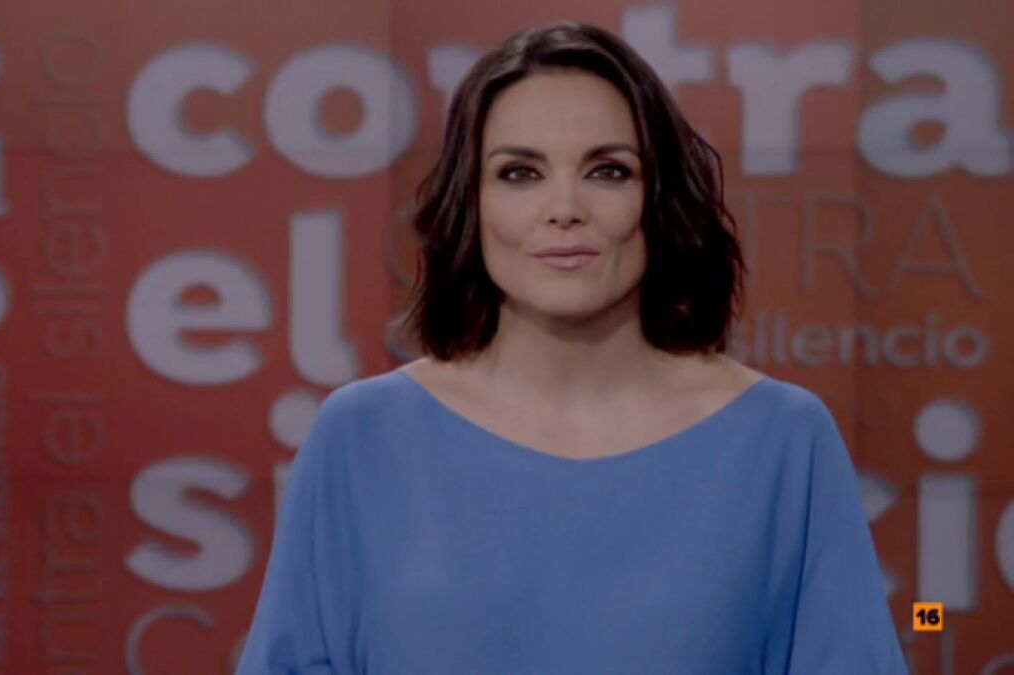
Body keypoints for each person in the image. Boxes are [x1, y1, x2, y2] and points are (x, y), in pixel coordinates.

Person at [235, 20, 908, 675]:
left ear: (659, 198)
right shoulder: (361, 437)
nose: (564, 208)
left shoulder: (782, 440)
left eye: (608, 171)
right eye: (519, 173)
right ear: (471, 202)